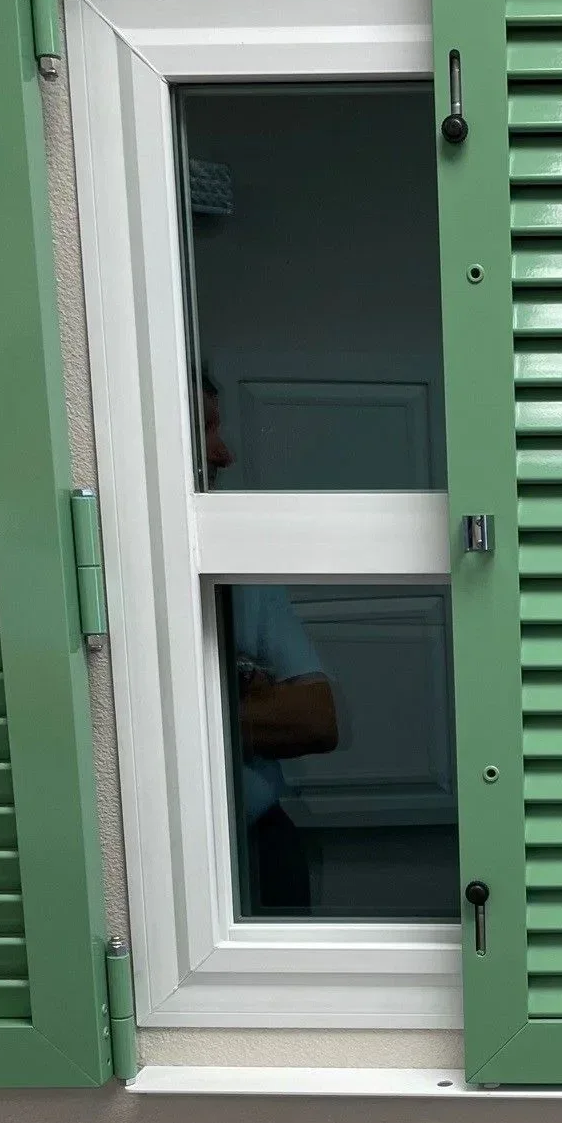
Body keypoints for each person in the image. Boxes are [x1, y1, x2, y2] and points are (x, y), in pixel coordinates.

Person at [202, 378, 338, 910]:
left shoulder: (238, 556)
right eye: (206, 430)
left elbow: (317, 720)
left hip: (260, 843)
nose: (225, 454)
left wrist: (208, 709)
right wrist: (245, 696)